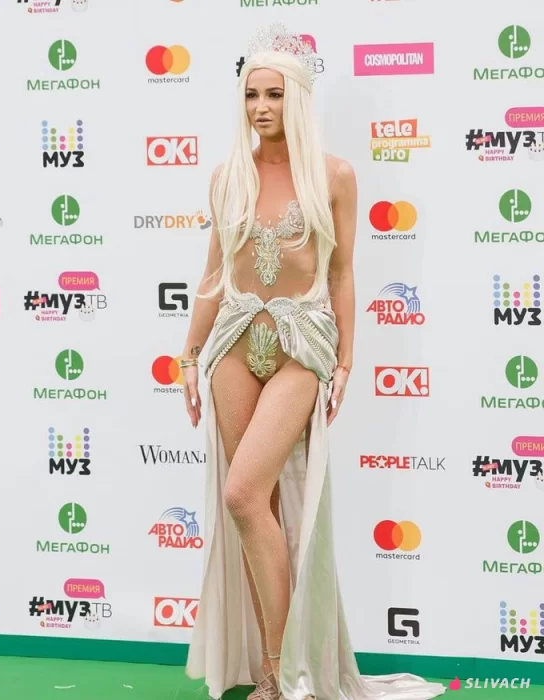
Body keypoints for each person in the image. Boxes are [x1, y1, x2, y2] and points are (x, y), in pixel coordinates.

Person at [181, 22, 446, 700]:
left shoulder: (334, 175)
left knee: (242, 493)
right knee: (254, 506)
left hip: (303, 343)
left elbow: (343, 272)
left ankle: (289, 669)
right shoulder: (228, 176)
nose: (261, 107)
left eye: (274, 94)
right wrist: (187, 356)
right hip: (234, 340)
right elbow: (213, 273)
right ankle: (273, 669)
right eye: (251, 95)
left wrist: (347, 360)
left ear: (296, 97)